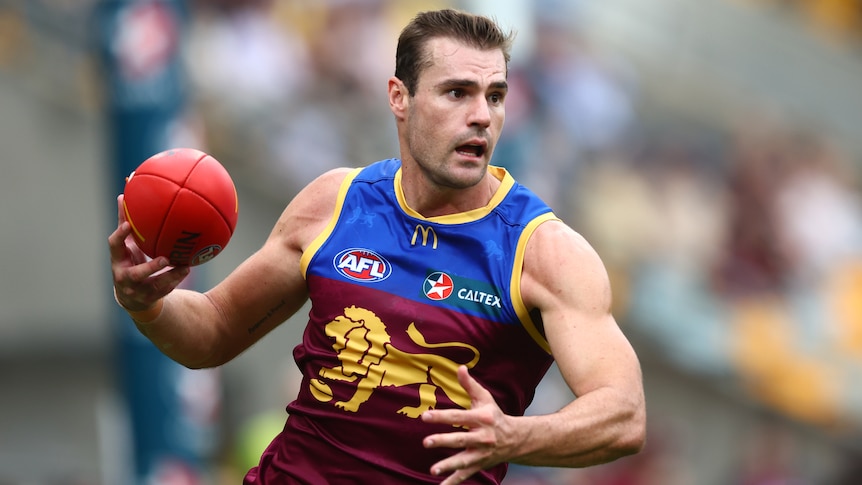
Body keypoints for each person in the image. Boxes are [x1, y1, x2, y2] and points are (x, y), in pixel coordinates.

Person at [108, 9, 646, 485]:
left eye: (495, 95)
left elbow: (623, 414)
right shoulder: (333, 203)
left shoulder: (542, 251)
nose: (482, 114)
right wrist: (148, 304)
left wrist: (513, 437)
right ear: (399, 98)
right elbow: (214, 332)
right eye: (457, 92)